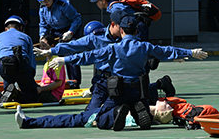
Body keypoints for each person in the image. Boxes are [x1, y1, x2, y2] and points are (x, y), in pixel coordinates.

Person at [15, 13, 207, 131]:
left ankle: (115, 113)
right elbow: (167, 51)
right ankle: (135, 111)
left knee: (89, 117)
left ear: (121, 30)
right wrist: (191, 52)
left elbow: (86, 56)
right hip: (139, 92)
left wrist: (63, 59)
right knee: (136, 101)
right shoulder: (144, 46)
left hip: (118, 92)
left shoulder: (113, 49)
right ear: (136, 31)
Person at [37, 0, 82, 89]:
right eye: (43, 1)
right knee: (52, 56)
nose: (45, 2)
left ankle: (74, 83)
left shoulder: (64, 5)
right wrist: (42, 37)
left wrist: (70, 32)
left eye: (47, 0)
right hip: (55, 33)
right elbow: (43, 25)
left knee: (70, 57)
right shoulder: (42, 9)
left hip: (69, 31)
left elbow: (77, 19)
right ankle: (53, 81)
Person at [0, 15, 38, 104]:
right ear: (20, 27)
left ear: (6, 28)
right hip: (21, 64)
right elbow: (31, 59)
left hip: (4, 65)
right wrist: (30, 77)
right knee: (32, 96)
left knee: (8, 81)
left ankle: (7, 92)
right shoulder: (26, 37)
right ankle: (16, 94)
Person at [37, 35, 66, 103]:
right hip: (45, 90)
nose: (42, 48)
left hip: (53, 94)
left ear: (52, 46)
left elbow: (58, 82)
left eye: (44, 45)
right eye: (41, 46)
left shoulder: (56, 61)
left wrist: (41, 89)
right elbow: (44, 82)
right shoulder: (46, 63)